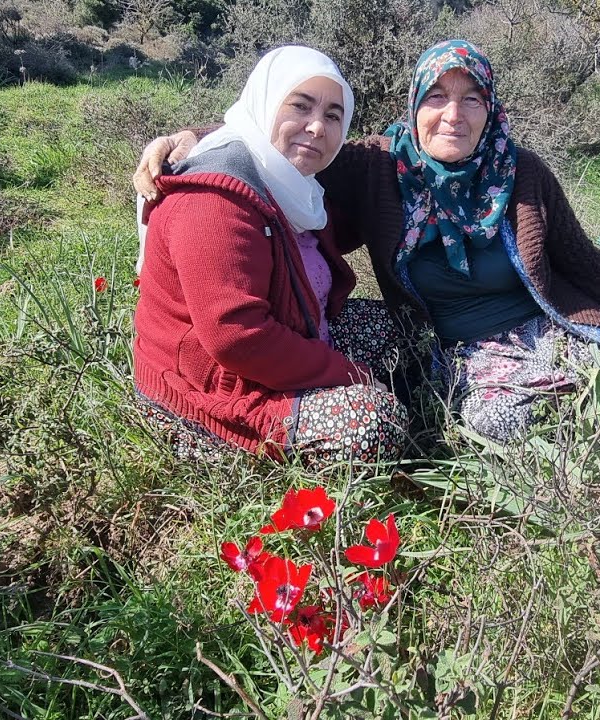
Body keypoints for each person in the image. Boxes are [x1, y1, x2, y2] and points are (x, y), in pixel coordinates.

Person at [136, 40, 600, 443]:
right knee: (499, 423)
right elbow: (272, 138)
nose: (453, 115)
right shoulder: (380, 166)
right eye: (437, 96)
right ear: (415, 104)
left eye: (472, 99)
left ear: (492, 111)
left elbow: (586, 265)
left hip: (547, 330)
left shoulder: (522, 172)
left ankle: (595, 411)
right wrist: (191, 139)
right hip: (460, 350)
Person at [133, 45, 409, 467]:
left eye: (334, 115)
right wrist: (351, 375)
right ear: (263, 102)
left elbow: (378, 155)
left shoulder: (293, 183)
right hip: (212, 391)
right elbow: (238, 338)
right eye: (301, 105)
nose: (317, 127)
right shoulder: (214, 201)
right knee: (377, 423)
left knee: (400, 327)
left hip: (291, 333)